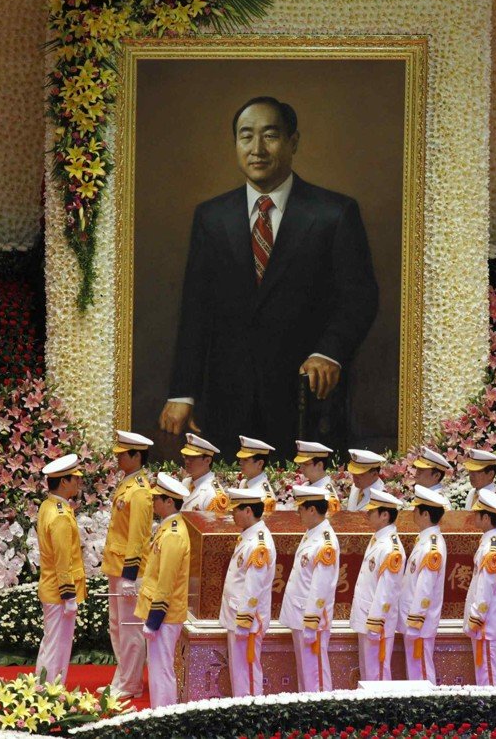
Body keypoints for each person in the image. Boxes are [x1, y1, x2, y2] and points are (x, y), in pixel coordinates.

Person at [159, 96, 380, 458]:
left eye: (270, 136)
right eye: (246, 136)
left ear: (293, 142)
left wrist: (330, 352)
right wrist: (182, 392)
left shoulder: (334, 213)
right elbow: (196, 310)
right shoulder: (211, 217)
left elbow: (360, 297)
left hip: (305, 404)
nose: (257, 149)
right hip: (227, 403)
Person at [102, 429, 154, 699]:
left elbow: (138, 537)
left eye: (124, 454)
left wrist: (131, 575)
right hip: (117, 565)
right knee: (117, 625)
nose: (119, 459)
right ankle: (122, 678)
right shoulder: (128, 485)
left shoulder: (141, 492)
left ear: (136, 456)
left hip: (129, 569)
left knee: (131, 628)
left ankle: (130, 683)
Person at [136, 472, 192, 708]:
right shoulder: (168, 528)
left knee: (162, 670)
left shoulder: (173, 535)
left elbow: (166, 582)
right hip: (162, 611)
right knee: (159, 667)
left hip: (165, 614)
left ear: (170, 501)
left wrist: (154, 619)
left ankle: (164, 716)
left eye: (157, 498)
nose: (153, 501)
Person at [278, 484, 340, 692]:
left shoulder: (325, 543)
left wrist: (312, 620)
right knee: (306, 673)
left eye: (301, 509)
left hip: (310, 618)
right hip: (300, 613)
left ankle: (322, 719)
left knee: (316, 675)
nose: (299, 513)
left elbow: (321, 586)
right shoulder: (312, 533)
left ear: (312, 510)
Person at [34, 454, 87, 685]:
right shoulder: (60, 515)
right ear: (63, 482)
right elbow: (62, 559)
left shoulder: (49, 506)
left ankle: (46, 688)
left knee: (53, 642)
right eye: (75, 478)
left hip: (51, 586)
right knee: (57, 645)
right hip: (59, 590)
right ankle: (48, 691)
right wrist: (69, 595)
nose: (78, 483)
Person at [219, 486, 277, 696]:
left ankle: (252, 716)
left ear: (248, 511)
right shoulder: (249, 536)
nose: (232, 514)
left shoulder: (258, 543)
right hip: (238, 615)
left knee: (248, 673)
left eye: (236, 510)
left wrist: (244, 620)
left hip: (247, 620)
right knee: (240, 671)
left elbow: (254, 585)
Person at [349, 488, 405, 681]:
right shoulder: (378, 539)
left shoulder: (391, 547)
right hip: (367, 615)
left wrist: (376, 622)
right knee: (367, 674)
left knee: (378, 675)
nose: (368, 514)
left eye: (372, 511)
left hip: (376, 621)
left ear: (384, 515)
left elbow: (387, 591)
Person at [398, 485, 449, 683]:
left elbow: (425, 587)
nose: (413, 514)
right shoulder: (426, 540)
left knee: (422, 673)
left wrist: (416, 619)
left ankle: (428, 712)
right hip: (414, 619)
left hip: (419, 622)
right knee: (415, 671)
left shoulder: (431, 546)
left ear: (425, 514)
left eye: (416, 510)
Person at [465, 488, 496, 686]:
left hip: (486, 622)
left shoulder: (492, 548)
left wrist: (476, 618)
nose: (474, 516)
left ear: (486, 518)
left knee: (489, 676)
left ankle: (493, 715)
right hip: (488, 620)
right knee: (485, 671)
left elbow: (485, 587)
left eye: (477, 513)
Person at [180, 433, 231, 514]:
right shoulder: (186, 482)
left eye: (192, 457)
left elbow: (216, 526)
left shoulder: (214, 495)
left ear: (207, 461)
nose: (187, 461)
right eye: (185, 456)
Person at [294, 440, 341, 515]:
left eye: (305, 464)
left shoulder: (327, 494)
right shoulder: (306, 485)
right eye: (300, 464)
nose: (301, 468)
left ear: (319, 465)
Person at [236, 434, 279, 511]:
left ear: (260, 463)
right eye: (240, 459)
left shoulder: (265, 495)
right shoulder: (244, 483)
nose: (240, 462)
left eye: (245, 460)